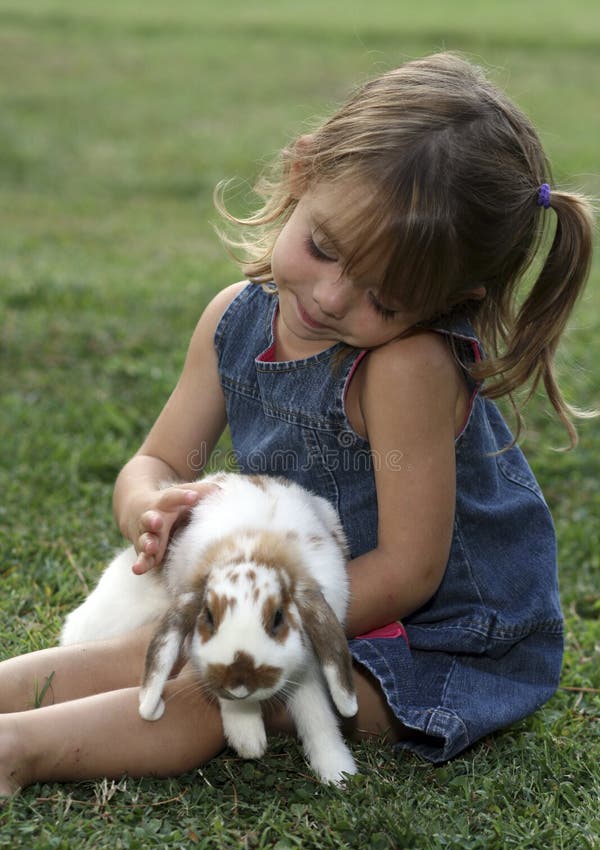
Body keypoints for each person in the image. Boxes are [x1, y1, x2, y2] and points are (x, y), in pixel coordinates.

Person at [0, 52, 594, 796]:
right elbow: (154, 463)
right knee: (146, 647)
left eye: (385, 297)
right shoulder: (233, 318)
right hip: (297, 598)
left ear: (448, 299)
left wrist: (265, 624)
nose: (333, 297)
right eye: (323, 248)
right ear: (301, 174)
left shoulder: (407, 369)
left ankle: (19, 748)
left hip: (433, 641)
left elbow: (411, 572)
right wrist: (150, 508)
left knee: (210, 689)